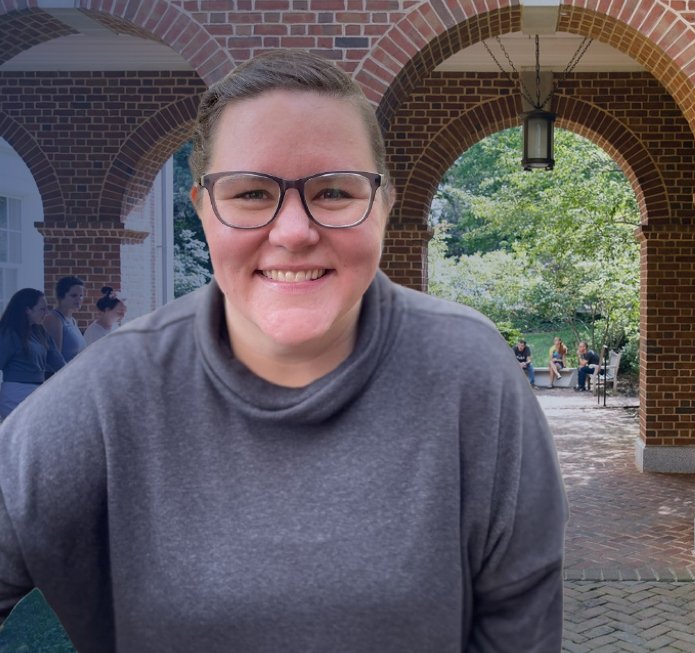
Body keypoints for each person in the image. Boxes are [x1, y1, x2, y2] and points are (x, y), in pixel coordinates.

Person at [0, 50, 566, 652]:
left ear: (384, 206)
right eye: (249, 194)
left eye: (334, 192)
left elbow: (519, 622)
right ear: (202, 211)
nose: (294, 232)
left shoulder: (468, 371)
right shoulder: (109, 393)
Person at [0, 289, 65, 418]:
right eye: (42, 309)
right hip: (16, 393)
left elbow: (59, 363)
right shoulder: (9, 334)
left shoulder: (40, 331)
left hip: (38, 391)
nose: (46, 313)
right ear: (27, 310)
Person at [42, 276, 85, 362]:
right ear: (61, 297)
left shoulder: (72, 321)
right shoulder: (54, 319)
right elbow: (55, 359)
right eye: (74, 295)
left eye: (81, 296)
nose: (79, 299)